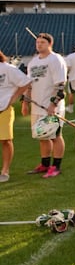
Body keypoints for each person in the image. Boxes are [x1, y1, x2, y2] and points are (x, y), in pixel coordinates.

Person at [21, 33, 67, 178]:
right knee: (42, 136)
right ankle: (45, 164)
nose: (39, 44)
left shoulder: (56, 60)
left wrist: (53, 105)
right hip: (37, 106)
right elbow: (29, 85)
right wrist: (25, 103)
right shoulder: (33, 62)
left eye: (42, 42)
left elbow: (61, 85)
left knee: (55, 135)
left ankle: (56, 167)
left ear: (49, 44)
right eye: (37, 42)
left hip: (51, 106)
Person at [0, 49, 32, 182]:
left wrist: (13, 98)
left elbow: (26, 82)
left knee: (5, 140)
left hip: (3, 109)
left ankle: (5, 170)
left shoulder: (7, 69)